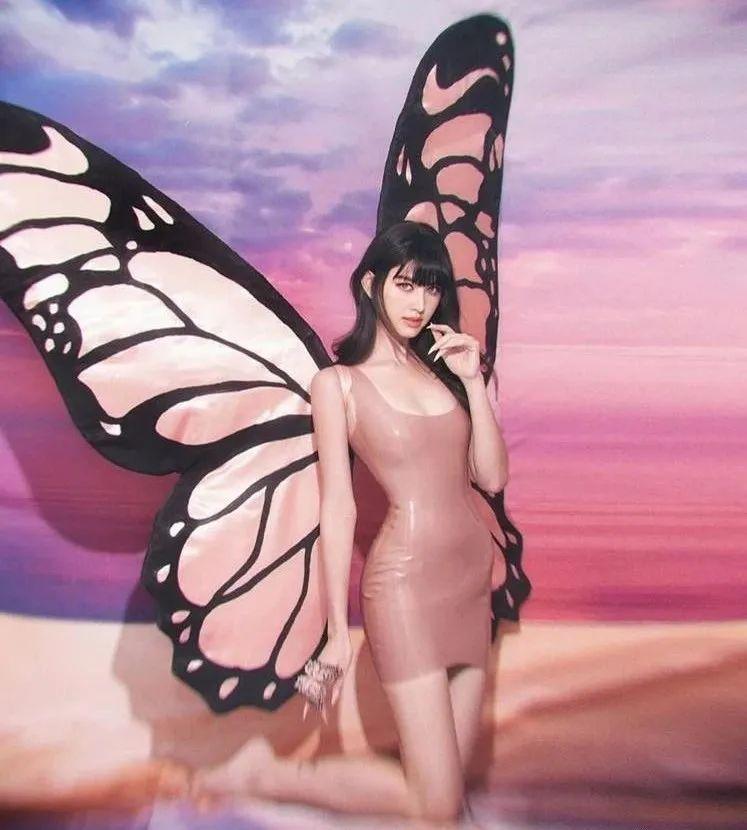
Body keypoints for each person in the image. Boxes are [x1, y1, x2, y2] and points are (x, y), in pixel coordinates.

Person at [189, 221, 509, 824]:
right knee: (439, 803)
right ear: (369, 284)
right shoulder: (338, 385)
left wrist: (473, 381)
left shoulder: (448, 373)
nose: (420, 303)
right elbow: (338, 506)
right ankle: (267, 775)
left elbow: (490, 479)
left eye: (431, 288)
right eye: (405, 284)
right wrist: (338, 632)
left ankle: (270, 776)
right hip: (405, 586)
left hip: (471, 582)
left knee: (448, 795)